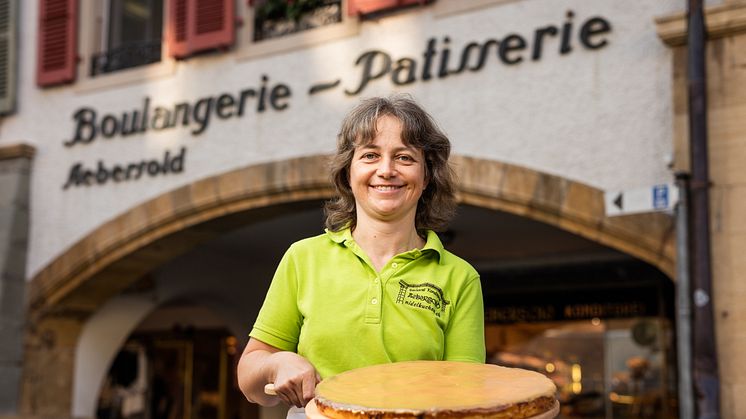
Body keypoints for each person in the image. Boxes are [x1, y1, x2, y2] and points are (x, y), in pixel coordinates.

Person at [237, 95, 486, 411]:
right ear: (348, 173)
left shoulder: (459, 276)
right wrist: (278, 363)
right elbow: (250, 381)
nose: (386, 170)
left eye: (405, 158)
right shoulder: (304, 258)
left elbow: (465, 396)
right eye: (370, 155)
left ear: (426, 177)